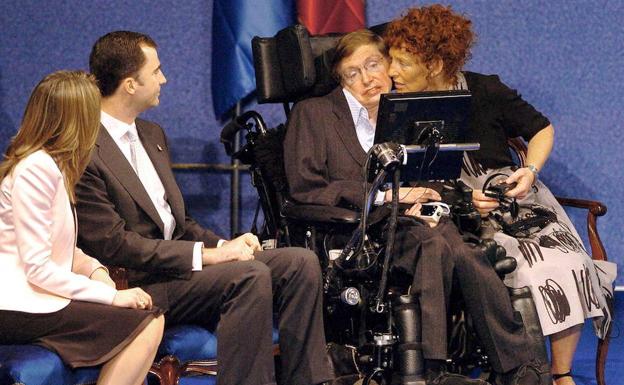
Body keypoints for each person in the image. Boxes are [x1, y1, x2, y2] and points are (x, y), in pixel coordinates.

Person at [284, 29, 544, 385]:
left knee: (468, 254)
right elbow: (306, 188)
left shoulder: (405, 111)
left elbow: (431, 173)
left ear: (388, 65)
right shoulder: (313, 113)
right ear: (340, 79)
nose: (367, 78)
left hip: (415, 222)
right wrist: (386, 196)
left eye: (373, 65)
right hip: (358, 229)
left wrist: (429, 197)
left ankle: (518, 367)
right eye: (352, 73)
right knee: (434, 245)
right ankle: (430, 368)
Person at [74, 31, 331, 385]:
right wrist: (208, 256)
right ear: (130, 84)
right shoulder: (86, 149)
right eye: (157, 71)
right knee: (248, 275)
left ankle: (311, 381)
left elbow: (178, 222)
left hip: (181, 271)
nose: (164, 79)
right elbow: (115, 245)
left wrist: (224, 246)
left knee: (299, 263)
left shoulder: (151, 134)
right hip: (139, 282)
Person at [384, 5, 615, 385]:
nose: (392, 72)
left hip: (516, 200)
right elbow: (404, 179)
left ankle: (561, 375)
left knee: (570, 264)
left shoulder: (485, 89)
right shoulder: (401, 109)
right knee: (528, 270)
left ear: (437, 63)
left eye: (403, 63)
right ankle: (524, 371)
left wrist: (529, 171)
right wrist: (459, 200)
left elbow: (542, 129)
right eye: (392, 61)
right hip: (452, 212)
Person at [0, 70, 164, 385]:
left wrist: (95, 271)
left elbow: (61, 246)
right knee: (146, 323)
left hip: (37, 298)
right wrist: (111, 297)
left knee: (148, 320)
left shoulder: (53, 165)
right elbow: (37, 267)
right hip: (16, 304)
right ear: (78, 119)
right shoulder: (35, 169)